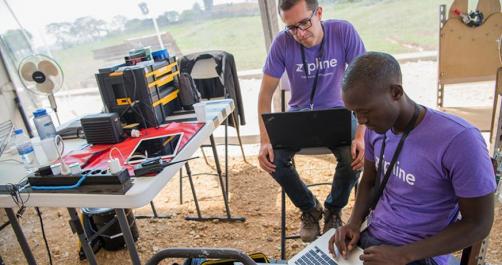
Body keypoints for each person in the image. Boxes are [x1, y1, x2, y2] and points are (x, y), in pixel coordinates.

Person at [329, 52, 496, 265]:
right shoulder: (375, 128)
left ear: (396, 92)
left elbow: (478, 223)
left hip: (419, 255)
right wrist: (353, 223)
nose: (361, 120)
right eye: (354, 113)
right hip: (372, 241)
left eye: (366, 111)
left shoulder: (459, 139)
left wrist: (404, 255)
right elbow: (369, 181)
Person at [257, 0, 366, 242]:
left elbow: (366, 86)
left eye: (304, 23)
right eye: (291, 27)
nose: (299, 34)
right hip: (299, 115)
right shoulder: (282, 43)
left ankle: (334, 210)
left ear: (319, 13)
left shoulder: (342, 31)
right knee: (273, 159)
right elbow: (264, 96)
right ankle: (310, 209)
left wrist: (361, 135)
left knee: (353, 158)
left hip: (338, 113)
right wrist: (264, 141)